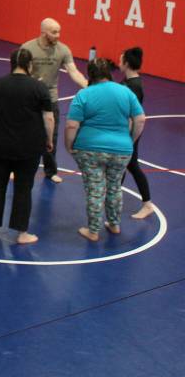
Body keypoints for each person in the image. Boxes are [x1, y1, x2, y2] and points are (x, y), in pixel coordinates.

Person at [66, 58, 146, 242]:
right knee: (115, 187)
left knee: (95, 189)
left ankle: (93, 231)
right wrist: (130, 141)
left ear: (90, 74)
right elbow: (140, 119)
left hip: (89, 149)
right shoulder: (125, 91)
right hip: (122, 149)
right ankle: (114, 224)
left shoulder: (84, 94)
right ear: (108, 73)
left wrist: (69, 146)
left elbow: (71, 125)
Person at [0, 48, 54, 244]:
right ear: (30, 65)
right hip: (28, 148)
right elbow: (48, 117)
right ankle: (22, 232)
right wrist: (49, 139)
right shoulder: (39, 88)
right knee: (23, 188)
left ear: (11, 63)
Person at [21, 18, 89, 183]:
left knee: (51, 136)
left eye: (59, 31)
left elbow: (73, 71)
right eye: (54, 32)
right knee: (23, 134)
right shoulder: (27, 48)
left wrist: (89, 86)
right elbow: (20, 72)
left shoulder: (63, 50)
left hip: (50, 97)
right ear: (43, 32)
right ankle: (19, 169)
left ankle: (50, 171)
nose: (58, 35)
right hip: (30, 97)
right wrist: (31, 83)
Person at [119, 47, 154, 219]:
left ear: (126, 63)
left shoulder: (133, 86)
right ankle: (113, 195)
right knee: (127, 165)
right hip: (126, 131)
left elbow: (134, 116)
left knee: (129, 164)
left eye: (120, 60)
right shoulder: (127, 81)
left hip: (129, 133)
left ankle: (147, 204)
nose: (118, 63)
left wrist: (128, 139)